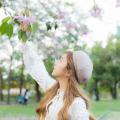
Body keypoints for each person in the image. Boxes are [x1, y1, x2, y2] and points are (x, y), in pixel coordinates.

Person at [19, 41, 95, 120]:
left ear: (68, 72)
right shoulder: (53, 90)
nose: (56, 62)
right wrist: (24, 39)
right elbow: (36, 67)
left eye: (61, 60)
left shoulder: (77, 103)